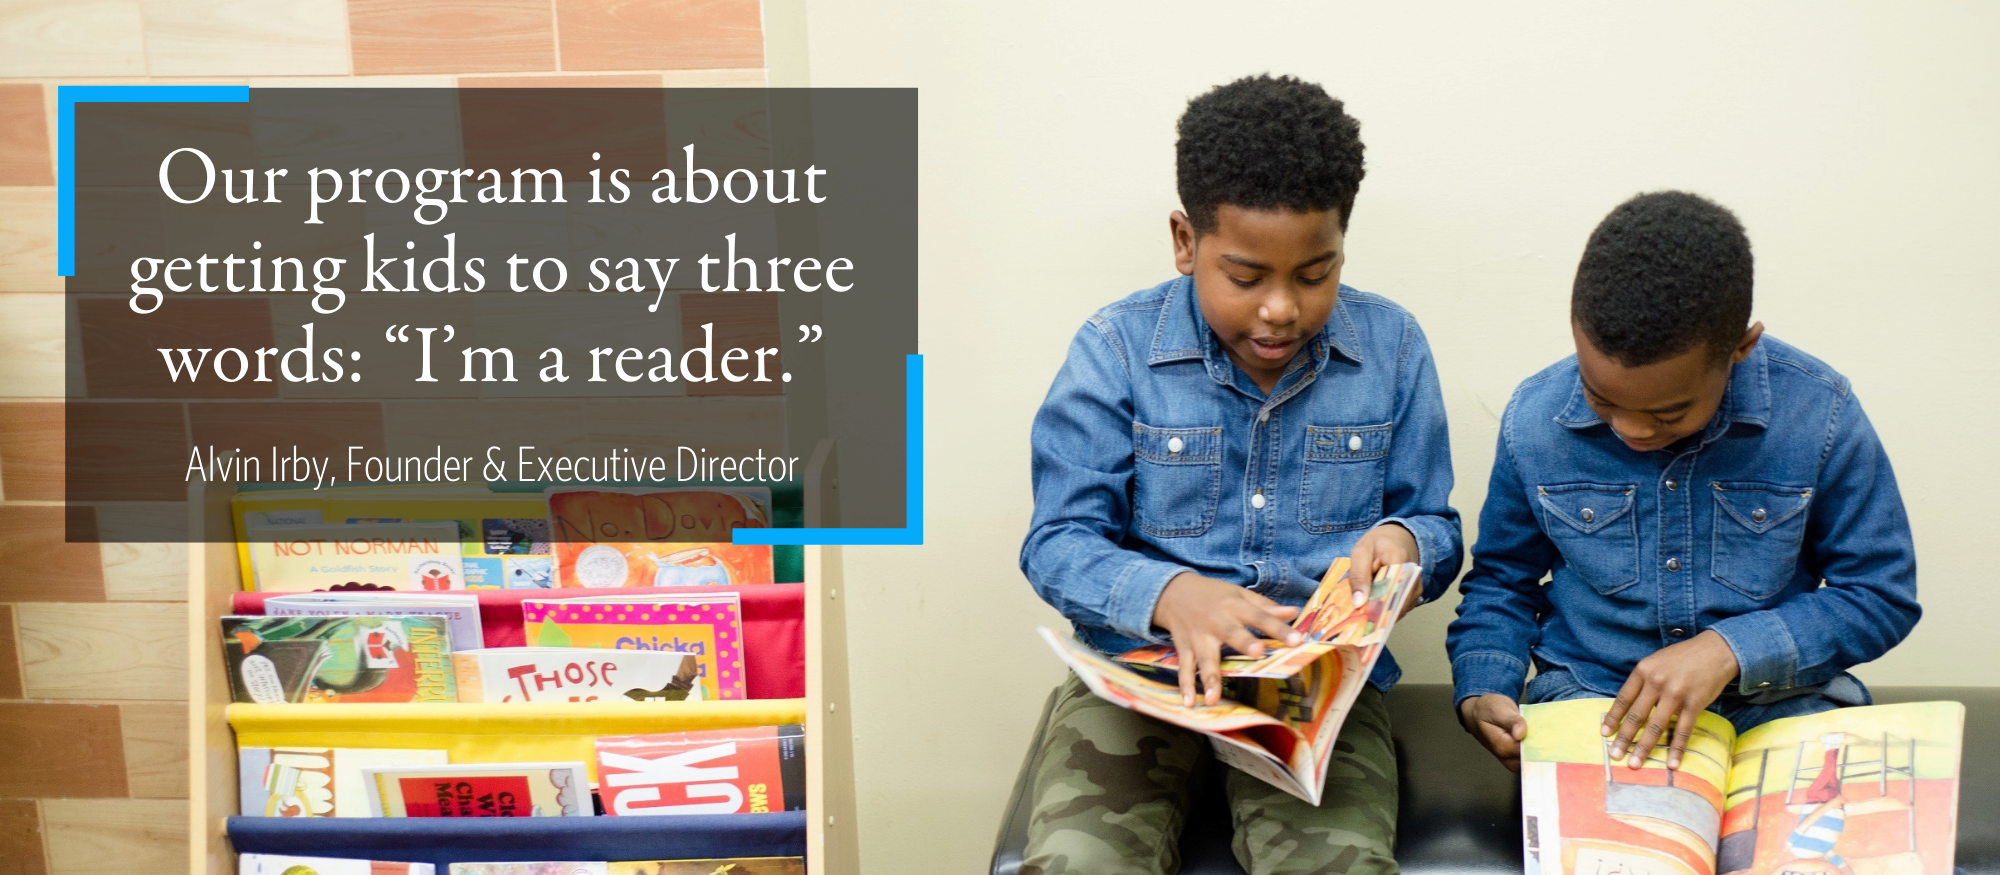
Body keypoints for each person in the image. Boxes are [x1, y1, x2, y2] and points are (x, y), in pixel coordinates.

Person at [1018, 74, 1462, 875]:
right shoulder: (1115, 348)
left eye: (1314, 274)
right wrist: (1167, 594)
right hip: (1139, 677)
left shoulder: (1393, 348)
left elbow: (1435, 522)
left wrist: (1406, 542)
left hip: (1314, 690)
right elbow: (1056, 542)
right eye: (1247, 277)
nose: (1280, 310)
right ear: (1186, 241)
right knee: (1077, 862)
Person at [1448, 191, 1920, 775]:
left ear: (1740, 349)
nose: (1629, 429)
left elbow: (1880, 594)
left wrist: (1731, 650)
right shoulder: (1534, 419)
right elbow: (1502, 582)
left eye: (1669, 413)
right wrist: (1483, 684)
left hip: (1780, 705)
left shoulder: (1820, 414)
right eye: (1601, 400)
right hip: (1597, 704)